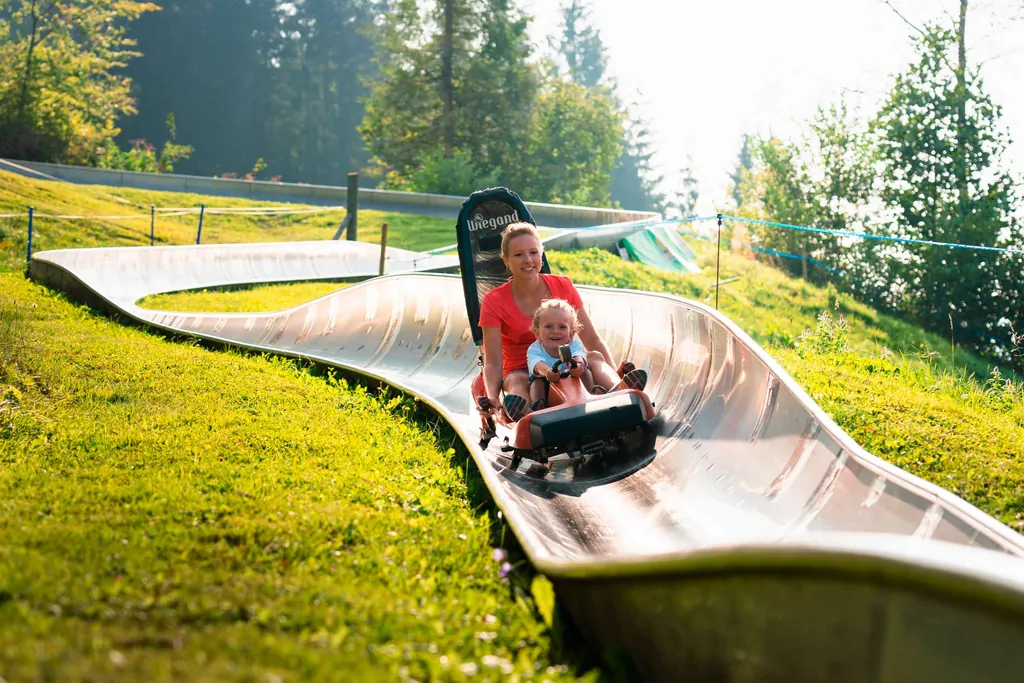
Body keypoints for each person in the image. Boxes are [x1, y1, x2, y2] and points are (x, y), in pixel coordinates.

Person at [476, 222, 647, 422]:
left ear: (542, 254)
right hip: (523, 370)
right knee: (517, 380)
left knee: (594, 357)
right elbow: (493, 361)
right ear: (506, 260)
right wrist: (493, 398)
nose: (528, 260)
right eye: (518, 254)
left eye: (534, 252)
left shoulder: (562, 285)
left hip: (568, 363)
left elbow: (592, 338)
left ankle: (619, 389)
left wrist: (613, 369)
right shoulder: (494, 301)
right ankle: (526, 415)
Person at [525, 298, 596, 413]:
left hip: (573, 380)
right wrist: (547, 372)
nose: (555, 331)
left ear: (571, 333)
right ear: (537, 333)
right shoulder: (535, 349)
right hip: (548, 383)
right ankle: (539, 405)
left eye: (562, 327)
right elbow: (538, 365)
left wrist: (578, 365)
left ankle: (593, 394)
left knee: (585, 371)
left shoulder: (574, 344)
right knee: (536, 382)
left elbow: (579, 356)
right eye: (549, 326)